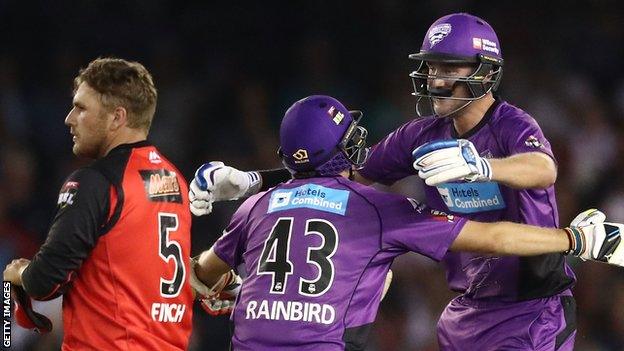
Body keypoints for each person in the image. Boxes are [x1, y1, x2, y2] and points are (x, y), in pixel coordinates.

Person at [189, 13, 583, 350]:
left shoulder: (512, 125)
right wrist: (254, 180)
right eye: (432, 67)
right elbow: (342, 171)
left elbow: (542, 168)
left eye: (449, 68)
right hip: (468, 307)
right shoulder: (420, 135)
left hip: (532, 306)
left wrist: (484, 167)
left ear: (487, 71)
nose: (435, 78)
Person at [3, 58, 193, 350]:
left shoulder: (96, 182)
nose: (69, 118)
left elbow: (45, 281)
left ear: (117, 117)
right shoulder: (176, 181)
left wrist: (18, 273)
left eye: (80, 108)